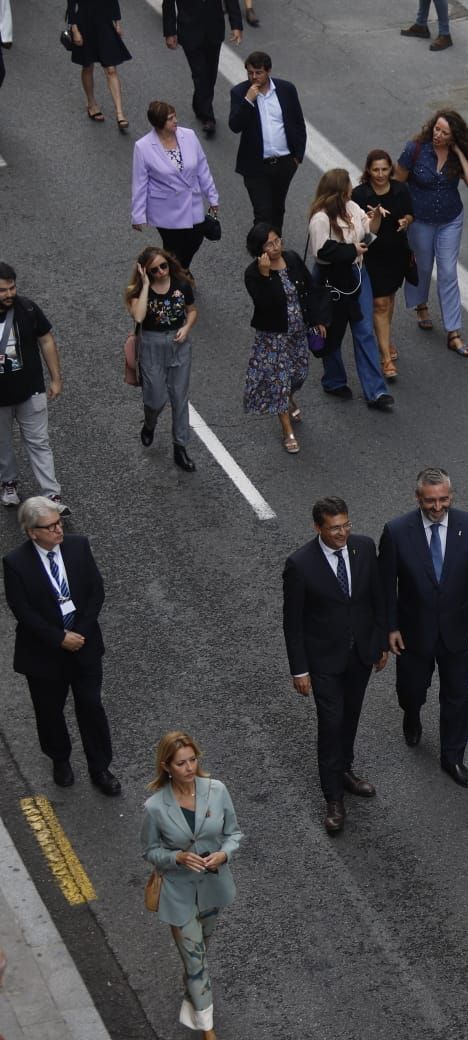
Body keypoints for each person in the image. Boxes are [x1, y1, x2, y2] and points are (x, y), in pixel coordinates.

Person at [379, 467, 468, 788]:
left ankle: (452, 757)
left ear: (451, 496)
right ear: (418, 499)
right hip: (414, 632)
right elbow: (386, 586)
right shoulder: (397, 531)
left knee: (457, 695)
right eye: (430, 501)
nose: (438, 507)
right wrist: (390, 627)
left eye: (443, 499)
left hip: (458, 631)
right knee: (411, 689)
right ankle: (411, 713)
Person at [282, 496, 388, 833]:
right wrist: (299, 670)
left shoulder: (364, 547)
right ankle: (333, 798)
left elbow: (377, 597)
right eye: (334, 528)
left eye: (345, 525)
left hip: (360, 655)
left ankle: (344, 769)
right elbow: (293, 623)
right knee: (331, 723)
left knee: (351, 715)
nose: (342, 533)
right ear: (318, 527)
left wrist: (380, 641)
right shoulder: (300, 564)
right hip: (323, 661)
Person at [3, 497, 116, 793]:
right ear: (32, 532)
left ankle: (100, 767)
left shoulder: (78, 546)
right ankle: (60, 759)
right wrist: (59, 638)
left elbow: (95, 591)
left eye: (59, 523)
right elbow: (23, 611)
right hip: (44, 653)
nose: (58, 530)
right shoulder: (15, 564)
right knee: (49, 711)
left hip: (83, 644)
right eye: (50, 526)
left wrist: (79, 632)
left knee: (91, 706)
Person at [140, 731, 241, 1040]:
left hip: (212, 889)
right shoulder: (155, 807)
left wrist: (223, 854)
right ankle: (208, 1031)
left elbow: (234, 833)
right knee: (196, 961)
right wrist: (178, 857)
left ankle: (195, 1000)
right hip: (178, 894)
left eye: (193, 760)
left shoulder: (217, 790)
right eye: (181, 763)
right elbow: (150, 851)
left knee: (199, 954)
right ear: (166, 766)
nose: (189, 768)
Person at [306, 168, 394, 411]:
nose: (350, 193)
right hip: (331, 279)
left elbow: (369, 231)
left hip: (357, 275)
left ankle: (376, 391)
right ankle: (334, 380)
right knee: (331, 333)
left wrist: (376, 216)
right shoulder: (320, 219)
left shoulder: (352, 208)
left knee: (364, 330)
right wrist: (353, 250)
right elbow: (322, 252)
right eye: (347, 189)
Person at [397, 110, 468, 356]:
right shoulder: (415, 149)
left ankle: (453, 332)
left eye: (445, 133)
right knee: (422, 266)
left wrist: (460, 154)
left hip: (450, 220)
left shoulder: (457, 155)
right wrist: (402, 215)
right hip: (420, 219)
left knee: (447, 272)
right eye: (437, 129)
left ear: (454, 136)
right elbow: (397, 181)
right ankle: (421, 304)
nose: (438, 135)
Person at [242, 222, 318, 454]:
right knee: (279, 382)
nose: (276, 247)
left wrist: (316, 320)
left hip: (297, 333)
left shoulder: (292, 259)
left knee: (299, 374)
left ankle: (289, 398)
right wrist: (266, 277)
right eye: (269, 244)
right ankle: (288, 432)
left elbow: (310, 289)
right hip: (273, 337)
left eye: (277, 241)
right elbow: (265, 305)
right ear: (259, 248)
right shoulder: (253, 274)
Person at [0, 264, 70, 514]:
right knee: (3, 444)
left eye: (12, 288)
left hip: (31, 390)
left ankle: (51, 494)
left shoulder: (26, 308)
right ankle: (8, 483)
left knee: (39, 442)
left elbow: (46, 339)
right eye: (3, 290)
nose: (9, 294)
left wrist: (56, 379)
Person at [124, 246, 199, 472]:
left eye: (163, 266)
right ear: (145, 272)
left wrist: (186, 328)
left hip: (178, 345)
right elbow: (138, 316)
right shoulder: (139, 293)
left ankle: (180, 447)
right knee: (155, 399)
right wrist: (146, 285)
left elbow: (192, 310)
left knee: (179, 397)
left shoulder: (181, 285)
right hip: (151, 345)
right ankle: (150, 423)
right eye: (154, 270)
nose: (161, 272)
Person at [131, 100, 220, 270]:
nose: (175, 121)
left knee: (195, 240)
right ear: (159, 123)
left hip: (192, 202)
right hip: (166, 209)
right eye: (170, 118)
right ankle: (176, 276)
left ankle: (181, 269)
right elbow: (140, 182)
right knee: (173, 246)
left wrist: (212, 197)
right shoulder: (143, 147)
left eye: (175, 116)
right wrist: (138, 214)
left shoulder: (189, 135)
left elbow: (202, 167)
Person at [352, 150, 415, 382]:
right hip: (371, 255)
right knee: (379, 302)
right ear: (368, 170)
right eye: (375, 170)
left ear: (391, 169)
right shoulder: (359, 194)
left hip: (396, 253)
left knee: (388, 299)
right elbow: (354, 225)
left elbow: (410, 213)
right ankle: (385, 357)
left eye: (384, 169)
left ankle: (385, 340)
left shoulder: (400, 189)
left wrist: (405, 221)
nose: (380, 174)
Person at [227, 51, 305, 233]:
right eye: (250, 72)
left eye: (258, 72)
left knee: (278, 209)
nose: (254, 77)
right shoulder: (240, 93)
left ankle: (276, 247)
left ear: (268, 71)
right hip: (255, 166)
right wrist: (248, 101)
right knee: (262, 213)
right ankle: (261, 252)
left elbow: (298, 123)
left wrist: (297, 157)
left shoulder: (286, 90)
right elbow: (235, 125)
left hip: (285, 163)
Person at [161, 0, 242, 138]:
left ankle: (199, 104)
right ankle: (208, 117)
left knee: (210, 74)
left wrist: (236, 25)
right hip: (189, 30)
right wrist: (169, 32)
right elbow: (168, 3)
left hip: (214, 29)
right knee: (200, 74)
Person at [66, 0, 131, 130]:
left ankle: (120, 114)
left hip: (104, 22)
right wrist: (74, 29)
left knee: (111, 69)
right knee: (88, 66)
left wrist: (117, 22)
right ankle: (91, 103)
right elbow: (71, 4)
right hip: (84, 23)